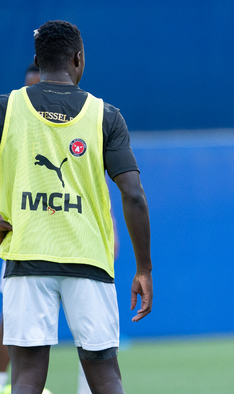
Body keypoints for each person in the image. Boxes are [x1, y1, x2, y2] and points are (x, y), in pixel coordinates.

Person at [0, 20, 153, 394]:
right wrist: (144, 268)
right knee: (105, 376)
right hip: (88, 260)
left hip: (26, 257)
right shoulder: (106, 116)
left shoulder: (7, 108)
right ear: (78, 59)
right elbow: (133, 194)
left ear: (38, 59)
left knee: (25, 375)